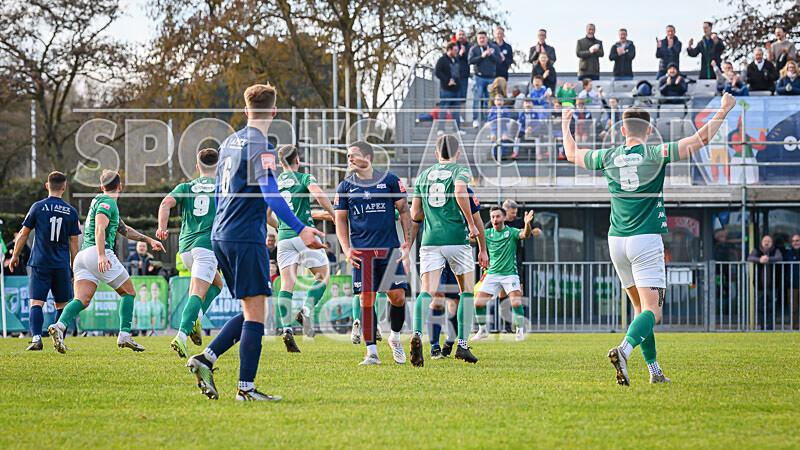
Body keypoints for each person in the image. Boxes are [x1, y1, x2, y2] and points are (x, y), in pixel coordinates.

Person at [561, 92, 736, 385]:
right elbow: (700, 140)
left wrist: (565, 124)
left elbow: (571, 154)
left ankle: (655, 372)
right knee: (653, 310)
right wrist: (724, 108)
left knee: (640, 309)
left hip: (616, 241)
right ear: (650, 129)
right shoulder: (656, 153)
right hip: (645, 239)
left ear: (622, 130)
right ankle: (624, 350)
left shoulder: (607, 156)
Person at [185, 83, 325, 402]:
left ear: (246, 109)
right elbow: (271, 193)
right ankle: (245, 388)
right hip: (244, 236)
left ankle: (207, 358)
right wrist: (300, 228)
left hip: (220, 234)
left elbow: (220, 192)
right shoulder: (262, 145)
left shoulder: (228, 142)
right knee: (257, 312)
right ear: (274, 111)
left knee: (254, 308)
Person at [47, 170, 165, 353]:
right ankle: (124, 334)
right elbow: (100, 228)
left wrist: (149, 240)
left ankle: (59, 326)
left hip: (83, 256)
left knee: (81, 300)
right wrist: (102, 255)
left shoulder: (99, 200)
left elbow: (124, 229)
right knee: (129, 292)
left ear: (102, 187)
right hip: (97, 252)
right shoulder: (108, 202)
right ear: (120, 186)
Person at [409, 134, 489, 367]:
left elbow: (415, 215)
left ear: (436, 154)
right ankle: (462, 345)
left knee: (427, 291)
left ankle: (416, 333)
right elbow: (460, 190)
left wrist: (407, 246)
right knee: (466, 292)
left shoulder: (423, 176)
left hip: (430, 240)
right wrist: (473, 230)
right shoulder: (460, 171)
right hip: (456, 238)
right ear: (458, 153)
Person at [334, 141, 412, 366]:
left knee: (397, 296)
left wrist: (407, 242)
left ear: (367, 157)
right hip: (362, 252)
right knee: (366, 298)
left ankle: (394, 338)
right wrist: (346, 249)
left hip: (389, 249)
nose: (349, 159)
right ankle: (371, 353)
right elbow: (340, 219)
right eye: (348, 155)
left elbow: (404, 210)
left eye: (353, 155)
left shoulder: (390, 180)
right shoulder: (345, 186)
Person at [157, 148, 225, 358]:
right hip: (206, 247)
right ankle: (181, 336)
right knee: (197, 292)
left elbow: (165, 203)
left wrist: (162, 228)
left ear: (197, 167)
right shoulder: (222, 187)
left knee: (218, 284)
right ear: (219, 166)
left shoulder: (186, 187)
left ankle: (197, 317)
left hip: (185, 249)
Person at [268, 144, 335, 347]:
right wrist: (333, 214)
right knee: (322, 276)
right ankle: (305, 310)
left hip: (284, 238)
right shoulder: (304, 178)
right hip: (305, 234)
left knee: (286, 284)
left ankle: (286, 328)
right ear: (297, 160)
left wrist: (281, 228)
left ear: (280, 164)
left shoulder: (274, 183)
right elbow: (319, 195)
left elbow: (267, 216)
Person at [8, 171, 81, 351]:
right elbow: (74, 242)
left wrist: (15, 255)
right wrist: (74, 266)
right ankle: (59, 340)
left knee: (36, 302)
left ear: (47, 186)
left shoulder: (37, 207)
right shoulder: (71, 212)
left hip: (40, 262)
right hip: (61, 264)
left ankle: (36, 339)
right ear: (64, 187)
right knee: (62, 305)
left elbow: (23, 233)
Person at [423, 187, 482, 358]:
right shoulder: (433, 189)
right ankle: (434, 347)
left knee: (456, 304)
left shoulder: (465, 192)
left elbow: (475, 224)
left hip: (457, 255)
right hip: (437, 252)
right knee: (437, 300)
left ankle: (450, 342)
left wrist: (478, 243)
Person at [472, 206, 540, 342]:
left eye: (497, 216)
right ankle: (482, 330)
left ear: (503, 218)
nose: (495, 219)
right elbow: (472, 238)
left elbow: (525, 235)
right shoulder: (487, 233)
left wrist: (527, 225)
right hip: (492, 274)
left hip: (510, 274)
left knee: (516, 302)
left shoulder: (512, 231)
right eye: (492, 217)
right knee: (478, 303)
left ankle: (519, 332)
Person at [747, 235, 783, 330]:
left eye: (768, 241)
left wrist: (768, 259)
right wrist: (760, 260)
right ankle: (762, 326)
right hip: (760, 286)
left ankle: (770, 327)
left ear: (772, 243)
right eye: (765, 241)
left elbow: (779, 257)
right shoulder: (757, 250)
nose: (766, 243)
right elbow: (750, 258)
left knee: (772, 307)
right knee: (760, 307)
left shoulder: (775, 250)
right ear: (761, 242)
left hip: (773, 286)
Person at [469, 31, 501, 125]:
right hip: (478, 77)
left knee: (489, 100)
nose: (482, 40)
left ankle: (487, 119)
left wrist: (490, 55)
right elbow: (470, 61)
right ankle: (475, 119)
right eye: (480, 38)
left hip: (491, 78)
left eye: (483, 37)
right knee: (477, 99)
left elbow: (499, 60)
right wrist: (481, 57)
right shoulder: (474, 49)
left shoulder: (494, 48)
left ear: (487, 38)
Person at [435, 42, 463, 134]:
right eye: (454, 50)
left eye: (457, 50)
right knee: (443, 108)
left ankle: (457, 129)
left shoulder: (456, 60)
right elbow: (437, 72)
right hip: (446, 90)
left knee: (456, 110)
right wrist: (447, 80)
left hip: (456, 90)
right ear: (449, 50)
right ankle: (440, 129)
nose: (456, 52)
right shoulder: (442, 60)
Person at [487, 94, 512, 158]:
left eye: (501, 100)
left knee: (505, 138)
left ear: (503, 102)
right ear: (494, 102)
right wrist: (497, 116)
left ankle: (503, 154)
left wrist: (502, 116)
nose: (499, 102)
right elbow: (489, 119)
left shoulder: (505, 109)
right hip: (494, 128)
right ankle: (494, 154)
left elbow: (508, 119)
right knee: (493, 137)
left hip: (503, 128)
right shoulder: (493, 109)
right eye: (497, 100)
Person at [784, 234, 800, 330]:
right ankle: (795, 327)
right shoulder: (788, 254)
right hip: (792, 284)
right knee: (793, 308)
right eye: (793, 241)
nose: (795, 242)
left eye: (797, 240)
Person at [453, 30, 471, 112]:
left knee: (463, 97)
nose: (461, 36)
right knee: (454, 96)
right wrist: (459, 54)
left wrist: (464, 53)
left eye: (463, 34)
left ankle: (460, 115)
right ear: (456, 36)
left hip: (464, 75)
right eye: (459, 34)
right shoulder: (452, 46)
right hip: (454, 75)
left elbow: (470, 59)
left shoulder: (469, 47)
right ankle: (453, 115)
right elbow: (450, 58)